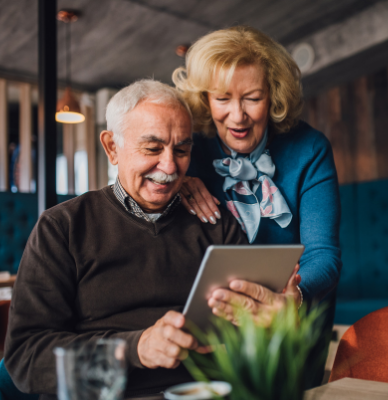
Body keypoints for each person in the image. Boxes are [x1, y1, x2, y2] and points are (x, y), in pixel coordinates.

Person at [4, 80, 251, 400]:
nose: (170, 167)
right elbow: (26, 358)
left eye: (181, 150)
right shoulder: (61, 228)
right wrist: (135, 349)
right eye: (152, 148)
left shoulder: (216, 224)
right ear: (111, 148)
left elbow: (249, 335)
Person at [173, 26, 342, 386]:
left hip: (288, 328)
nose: (238, 116)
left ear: (274, 95)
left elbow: (323, 254)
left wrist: (295, 300)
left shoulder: (309, 149)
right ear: (204, 98)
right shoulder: (188, 150)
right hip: (210, 330)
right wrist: (177, 181)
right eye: (222, 99)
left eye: (252, 98)